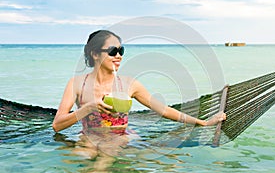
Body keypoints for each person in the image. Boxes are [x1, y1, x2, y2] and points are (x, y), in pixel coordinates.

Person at [52, 29, 226, 134]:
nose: (118, 56)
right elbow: (57, 125)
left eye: (121, 50)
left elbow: (163, 110)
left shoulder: (129, 84)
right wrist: (88, 108)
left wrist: (203, 122)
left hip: (122, 139)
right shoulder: (77, 84)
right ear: (95, 54)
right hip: (90, 140)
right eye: (112, 51)